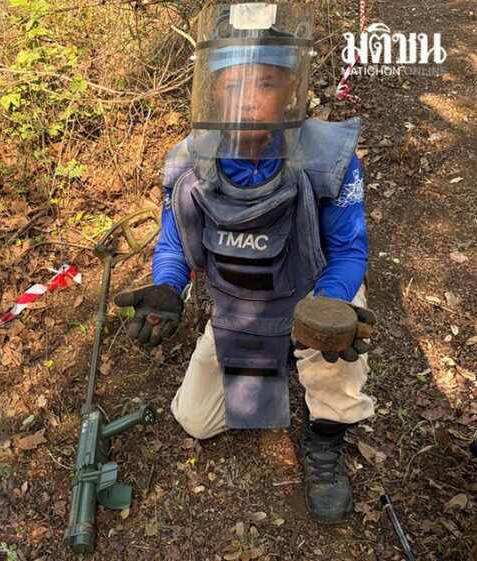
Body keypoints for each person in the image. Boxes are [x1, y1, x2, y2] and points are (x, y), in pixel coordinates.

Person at [112, 3, 374, 524]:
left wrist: (329, 307)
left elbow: (348, 250)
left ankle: (325, 436)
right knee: (197, 421)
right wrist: (168, 287)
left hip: (311, 289)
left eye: (266, 83)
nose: (249, 99)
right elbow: (174, 245)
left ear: (291, 88)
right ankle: (274, 355)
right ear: (213, 91)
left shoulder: (328, 158)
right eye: (234, 85)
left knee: (336, 351)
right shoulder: (190, 162)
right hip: (241, 303)